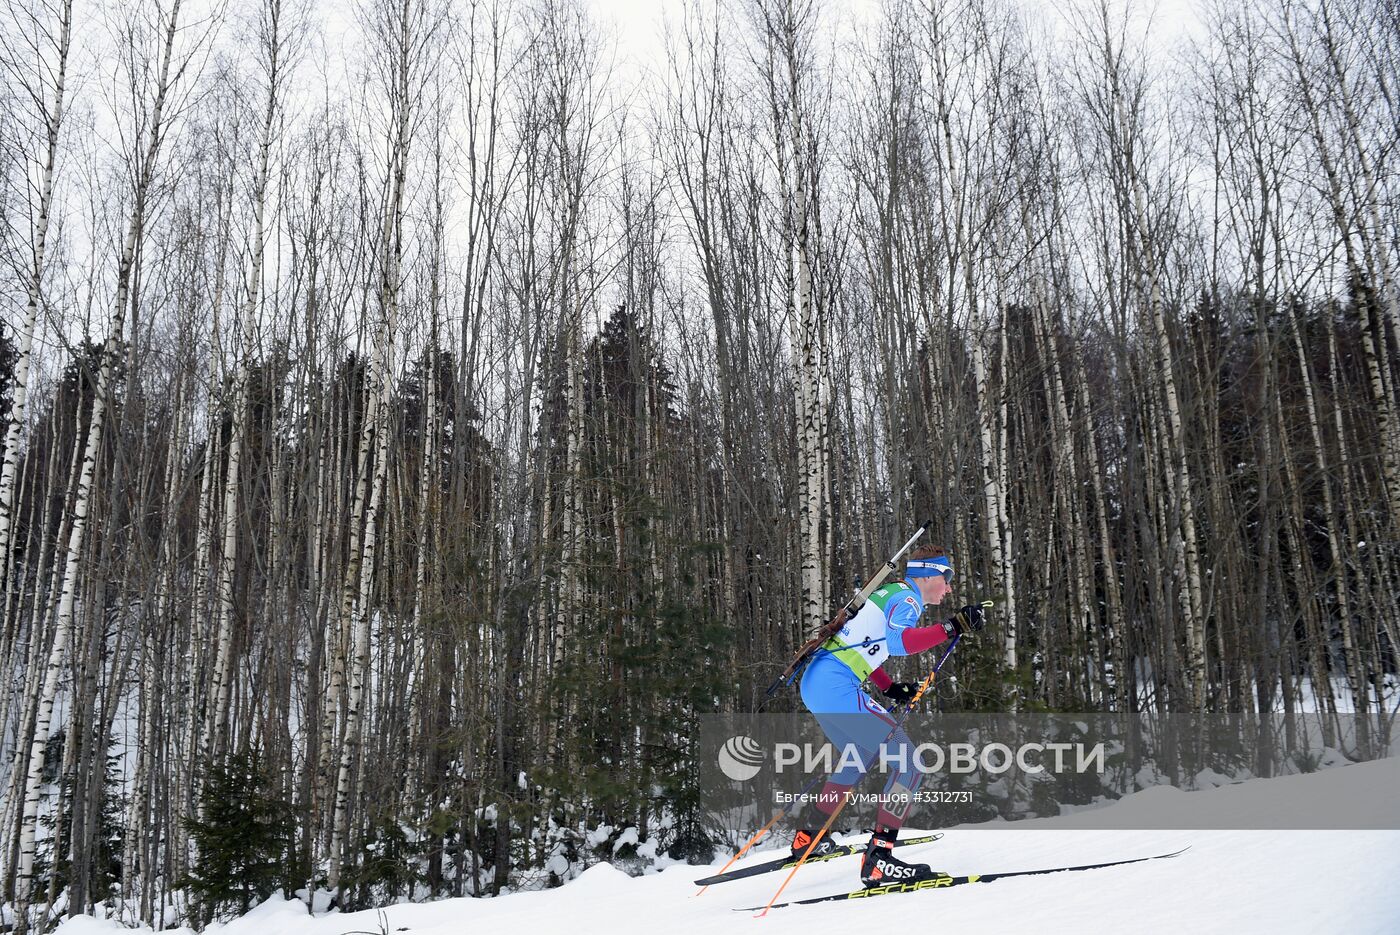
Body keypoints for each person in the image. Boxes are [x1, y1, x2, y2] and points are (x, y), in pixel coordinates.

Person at [792, 546, 985, 886]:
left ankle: (809, 836)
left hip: (817, 684)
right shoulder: (908, 600)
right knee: (909, 764)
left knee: (857, 757)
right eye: (946, 578)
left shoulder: (890, 593)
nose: (949, 587)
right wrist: (952, 627)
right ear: (926, 576)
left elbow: (866, 646)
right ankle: (879, 857)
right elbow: (897, 642)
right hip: (836, 684)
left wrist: (890, 688)